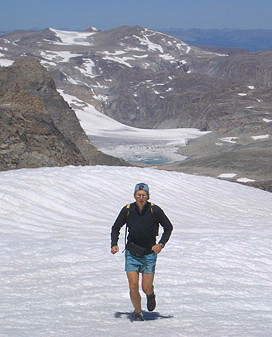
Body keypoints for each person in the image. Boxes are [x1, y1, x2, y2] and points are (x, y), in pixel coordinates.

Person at [111, 182, 173, 321]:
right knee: (133, 286)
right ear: (134, 195)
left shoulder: (154, 210)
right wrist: (114, 244)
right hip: (132, 253)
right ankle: (138, 313)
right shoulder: (127, 210)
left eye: (144, 195)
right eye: (138, 195)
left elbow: (168, 227)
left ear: (148, 196)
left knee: (145, 287)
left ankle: (150, 294)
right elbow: (116, 227)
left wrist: (161, 244)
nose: (141, 197)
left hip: (149, 254)